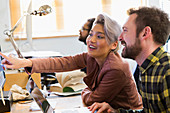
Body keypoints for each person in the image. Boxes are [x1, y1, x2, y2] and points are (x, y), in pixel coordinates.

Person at [0, 13, 143, 110]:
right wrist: (25, 63)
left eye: (99, 37)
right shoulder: (92, 57)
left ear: (113, 44)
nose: (91, 40)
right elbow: (63, 62)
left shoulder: (115, 68)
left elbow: (91, 100)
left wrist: (85, 89)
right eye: (91, 34)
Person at [89, 6, 170, 113]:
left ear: (145, 33)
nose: (120, 38)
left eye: (125, 31)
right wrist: (115, 111)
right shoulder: (147, 68)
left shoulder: (167, 71)